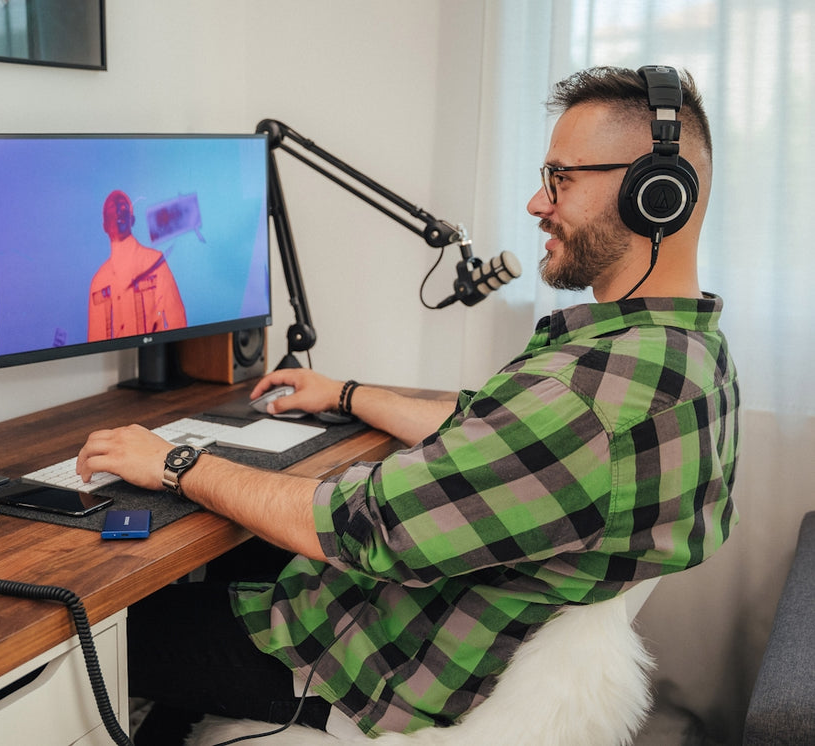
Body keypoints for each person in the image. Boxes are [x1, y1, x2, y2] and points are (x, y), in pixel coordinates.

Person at [75, 66, 739, 741]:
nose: (538, 204)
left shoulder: (586, 403)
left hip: (359, 668)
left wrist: (175, 461)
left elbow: (359, 524)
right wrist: (347, 395)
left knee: (104, 636)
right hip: (428, 624)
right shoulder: (685, 355)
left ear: (656, 195)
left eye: (560, 180)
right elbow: (497, 430)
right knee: (223, 556)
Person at [87, 189, 187, 341]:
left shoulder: (155, 263)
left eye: (123, 207)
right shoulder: (99, 282)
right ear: (104, 225)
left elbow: (177, 322)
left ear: (132, 220)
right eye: (112, 209)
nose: (118, 213)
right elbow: (95, 342)